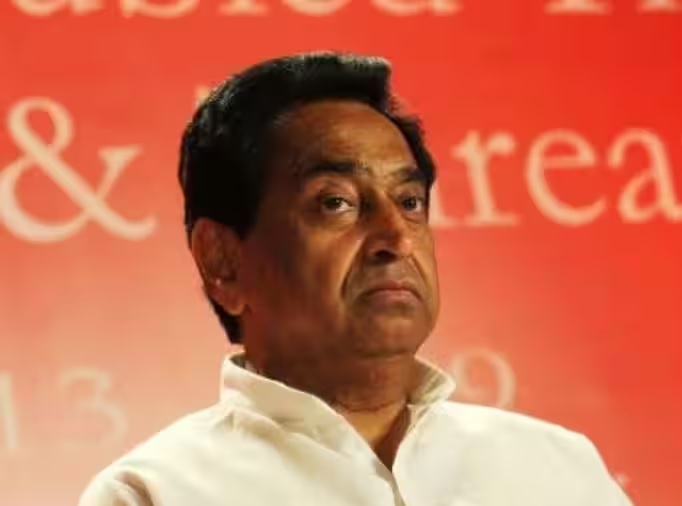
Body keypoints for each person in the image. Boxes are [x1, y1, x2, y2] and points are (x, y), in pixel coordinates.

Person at [79, 52, 633, 506]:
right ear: (222, 260)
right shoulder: (154, 494)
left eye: (410, 202)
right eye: (336, 202)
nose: (396, 237)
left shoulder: (557, 469)